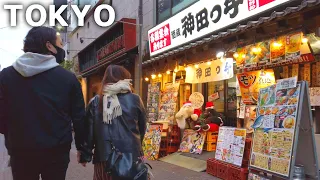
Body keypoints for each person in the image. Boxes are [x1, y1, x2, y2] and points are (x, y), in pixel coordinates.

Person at [0, 26, 85, 180]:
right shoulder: (67, 78)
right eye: (60, 44)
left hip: (20, 151)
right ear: (49, 46)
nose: (61, 48)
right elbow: (79, 117)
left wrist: (14, 135)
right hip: (57, 152)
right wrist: (82, 149)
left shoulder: (5, 77)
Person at [80, 65, 147, 180]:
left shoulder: (96, 101)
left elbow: (88, 134)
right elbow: (142, 128)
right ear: (125, 79)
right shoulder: (135, 99)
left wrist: (85, 155)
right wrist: (136, 147)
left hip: (104, 158)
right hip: (132, 157)